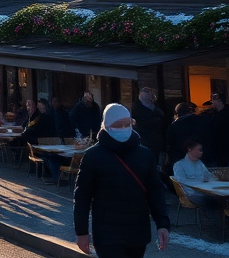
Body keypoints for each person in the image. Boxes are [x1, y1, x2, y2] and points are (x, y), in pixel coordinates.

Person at [73, 103, 170, 258]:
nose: (124, 128)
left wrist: (163, 224)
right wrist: (82, 232)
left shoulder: (144, 155)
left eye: (127, 124)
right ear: (106, 126)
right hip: (107, 234)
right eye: (118, 125)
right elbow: (82, 197)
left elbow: (155, 191)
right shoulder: (93, 156)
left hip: (138, 231)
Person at [171, 139, 223, 211]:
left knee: (223, 199)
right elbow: (182, 182)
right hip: (190, 195)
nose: (201, 152)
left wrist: (214, 178)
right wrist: (202, 181)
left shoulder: (200, 164)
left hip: (204, 192)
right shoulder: (179, 165)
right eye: (199, 150)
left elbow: (208, 175)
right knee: (215, 201)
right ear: (189, 150)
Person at [165, 103, 209, 175]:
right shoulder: (203, 122)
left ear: (177, 114)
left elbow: (170, 145)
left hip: (182, 159)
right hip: (203, 159)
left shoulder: (175, 126)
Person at [130, 88, 167, 162]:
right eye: (149, 96)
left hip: (155, 140)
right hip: (145, 140)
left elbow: (163, 116)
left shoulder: (154, 107)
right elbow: (141, 123)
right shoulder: (137, 109)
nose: (151, 98)